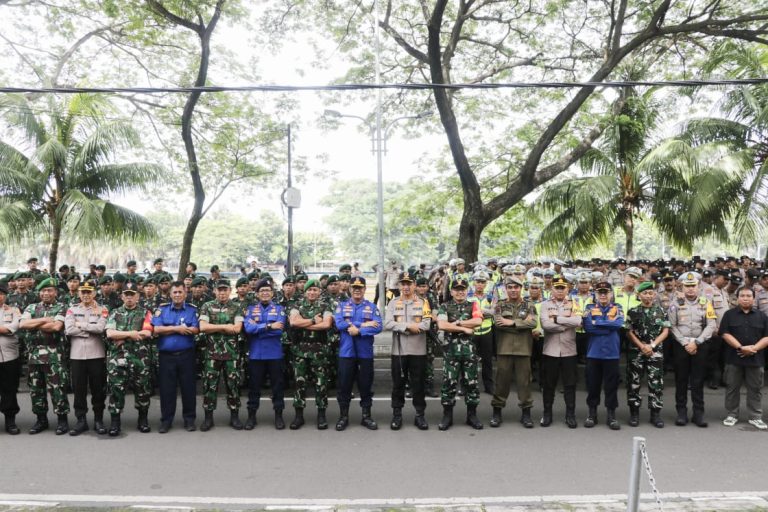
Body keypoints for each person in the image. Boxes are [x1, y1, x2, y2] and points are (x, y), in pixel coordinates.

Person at [19, 278, 71, 435]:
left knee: (58, 388)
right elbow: (22, 325)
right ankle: (41, 420)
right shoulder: (31, 307)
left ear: (55, 292)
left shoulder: (62, 307)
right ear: (39, 292)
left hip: (54, 356)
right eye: (43, 290)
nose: (46, 293)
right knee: (36, 389)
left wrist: (34, 323)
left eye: (49, 290)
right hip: (34, 357)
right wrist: (44, 320)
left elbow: (56, 326)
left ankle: (62, 420)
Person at [333, 276, 383, 431]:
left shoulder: (372, 307)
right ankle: (343, 417)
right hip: (346, 353)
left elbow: (378, 326)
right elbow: (339, 323)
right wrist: (364, 324)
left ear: (364, 289)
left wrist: (359, 330)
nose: (357, 290)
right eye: (354, 287)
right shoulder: (342, 306)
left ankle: (366, 417)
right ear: (350, 289)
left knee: (366, 386)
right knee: (344, 386)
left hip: (364, 353)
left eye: (360, 287)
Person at [105, 282, 154, 436]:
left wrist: (123, 335)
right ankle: (115, 422)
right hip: (117, 358)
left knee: (142, 389)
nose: (129, 297)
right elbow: (110, 334)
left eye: (132, 294)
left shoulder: (145, 313)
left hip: (140, 358)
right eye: (126, 294)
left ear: (138, 297)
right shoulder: (114, 313)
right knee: (116, 389)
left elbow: (147, 332)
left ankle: (143, 419)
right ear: (122, 296)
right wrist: (132, 334)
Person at [384, 272, 431, 431]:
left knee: (418, 384)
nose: (405, 287)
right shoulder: (392, 303)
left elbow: (426, 325)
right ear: (399, 286)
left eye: (408, 284)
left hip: (418, 351)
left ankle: (420, 415)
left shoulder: (423, 302)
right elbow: (388, 323)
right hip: (399, 351)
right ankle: (397, 415)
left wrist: (404, 326)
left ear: (414, 285)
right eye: (402, 284)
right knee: (398, 384)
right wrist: (407, 327)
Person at [668, 273, 717, 427]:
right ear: (682, 287)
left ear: (698, 287)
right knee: (681, 380)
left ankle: (698, 414)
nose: (690, 289)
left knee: (697, 380)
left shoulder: (706, 303)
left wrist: (697, 342)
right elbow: (672, 326)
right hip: (681, 346)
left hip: (700, 345)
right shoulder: (675, 303)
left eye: (693, 286)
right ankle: (681, 413)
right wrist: (684, 343)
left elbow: (711, 325)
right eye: (687, 286)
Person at [151, 281, 200, 433]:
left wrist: (169, 329)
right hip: (166, 356)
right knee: (167, 390)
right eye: (175, 292)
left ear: (185, 293)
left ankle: (189, 420)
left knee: (188, 389)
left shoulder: (192, 310)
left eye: (180, 292)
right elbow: (157, 329)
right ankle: (166, 420)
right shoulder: (161, 310)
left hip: (186, 356)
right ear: (170, 294)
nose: (177, 295)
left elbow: (195, 329)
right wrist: (178, 328)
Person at [436, 278, 483, 431]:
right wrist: (464, 329)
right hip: (451, 352)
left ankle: (472, 416)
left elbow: (477, 321)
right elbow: (442, 325)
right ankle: (447, 416)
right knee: (449, 384)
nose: (460, 291)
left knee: (471, 384)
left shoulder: (473, 305)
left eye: (463, 289)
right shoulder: (445, 306)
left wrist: (457, 324)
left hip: (469, 353)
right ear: (451, 292)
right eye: (457, 289)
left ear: (467, 290)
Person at [490, 276, 538, 428]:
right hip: (504, 349)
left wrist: (511, 323)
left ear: (521, 288)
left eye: (516, 287)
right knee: (501, 382)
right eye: (510, 288)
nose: (513, 290)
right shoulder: (500, 305)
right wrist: (521, 326)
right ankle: (497, 412)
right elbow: (498, 324)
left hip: (523, 350)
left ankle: (526, 414)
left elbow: (533, 322)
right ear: (506, 289)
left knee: (524, 382)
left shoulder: (529, 304)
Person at [719, 287, 768, 430]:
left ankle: (755, 417)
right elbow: (725, 334)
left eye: (748, 296)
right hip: (733, 358)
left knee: (755, 389)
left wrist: (754, 349)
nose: (745, 298)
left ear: (753, 298)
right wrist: (741, 348)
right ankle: (732, 414)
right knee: (732, 388)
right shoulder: (729, 315)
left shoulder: (762, 316)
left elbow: (766, 336)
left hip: (755, 358)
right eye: (742, 295)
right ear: (737, 298)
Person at [198, 279, 244, 431]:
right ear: (215, 291)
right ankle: (208, 418)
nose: (222, 292)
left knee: (233, 385)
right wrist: (225, 326)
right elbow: (203, 327)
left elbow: (237, 329)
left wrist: (215, 328)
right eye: (219, 290)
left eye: (225, 290)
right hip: (212, 354)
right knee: (210, 386)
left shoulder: (236, 307)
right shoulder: (207, 306)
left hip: (231, 354)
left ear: (230, 291)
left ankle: (235, 417)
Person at [64, 281, 109, 435]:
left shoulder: (102, 309)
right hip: (77, 356)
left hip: (96, 354)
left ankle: (98, 419)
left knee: (98, 389)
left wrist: (81, 325)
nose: (86, 295)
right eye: (83, 292)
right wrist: (89, 327)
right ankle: (81, 420)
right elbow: (69, 329)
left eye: (89, 292)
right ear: (79, 294)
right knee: (79, 389)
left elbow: (100, 328)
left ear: (94, 293)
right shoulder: (71, 309)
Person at [288, 279, 333, 430]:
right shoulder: (296, 306)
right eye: (309, 290)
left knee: (321, 384)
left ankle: (321, 415)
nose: (312, 292)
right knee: (299, 384)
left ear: (319, 292)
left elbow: (326, 324)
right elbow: (293, 323)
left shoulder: (326, 306)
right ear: (305, 292)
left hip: (319, 352)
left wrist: (304, 323)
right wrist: (314, 320)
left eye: (315, 290)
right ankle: (298, 416)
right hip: (300, 352)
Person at [243, 279, 287, 430]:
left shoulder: (279, 309)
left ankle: (279, 416)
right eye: (262, 291)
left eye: (268, 290)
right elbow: (248, 329)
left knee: (277, 387)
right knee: (254, 387)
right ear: (257, 294)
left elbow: (279, 330)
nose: (265, 293)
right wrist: (269, 326)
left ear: (273, 293)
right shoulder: (250, 309)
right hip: (256, 355)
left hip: (274, 354)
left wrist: (259, 329)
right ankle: (251, 416)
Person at [539, 275, 582, 428]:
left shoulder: (574, 303)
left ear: (567, 289)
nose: (559, 290)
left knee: (570, 385)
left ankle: (570, 415)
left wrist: (557, 319)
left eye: (562, 288)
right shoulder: (545, 305)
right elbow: (545, 325)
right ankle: (547, 414)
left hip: (569, 351)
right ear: (552, 289)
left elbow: (578, 321)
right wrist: (565, 323)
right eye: (556, 287)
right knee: (548, 384)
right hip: (550, 351)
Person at [625, 281, 670, 428]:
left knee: (656, 383)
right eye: (645, 293)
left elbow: (665, 331)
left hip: (655, 352)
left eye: (651, 293)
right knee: (634, 383)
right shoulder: (632, 311)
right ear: (639, 295)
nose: (648, 296)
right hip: (636, 353)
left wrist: (652, 345)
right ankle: (634, 413)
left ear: (655, 294)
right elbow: (629, 332)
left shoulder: (661, 311)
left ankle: (655, 414)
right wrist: (642, 346)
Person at [582, 281, 624, 430]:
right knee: (593, 385)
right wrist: (607, 326)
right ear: (595, 294)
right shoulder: (589, 308)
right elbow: (588, 327)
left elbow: (618, 324)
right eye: (600, 292)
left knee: (611, 386)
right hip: (594, 353)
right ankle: (592, 414)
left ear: (611, 294)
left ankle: (611, 415)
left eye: (606, 292)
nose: (603, 294)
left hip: (611, 354)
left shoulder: (618, 308)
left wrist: (598, 323)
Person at [467, 271, 495, 394]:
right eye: (478, 282)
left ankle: (489, 386)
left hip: (487, 332)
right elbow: (466, 313)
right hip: (472, 332)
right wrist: (485, 312)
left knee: (487, 361)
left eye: (482, 282)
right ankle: (468, 386)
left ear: (486, 283)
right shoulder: (468, 296)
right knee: (469, 360)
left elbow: (495, 311)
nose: (480, 284)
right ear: (474, 283)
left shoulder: (490, 296)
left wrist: (477, 312)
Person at [0, 283, 21, 434]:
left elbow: (11, 328)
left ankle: (10, 421)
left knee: (10, 389)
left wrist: (5, 329)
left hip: (9, 357)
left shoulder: (14, 311)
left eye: (1, 293)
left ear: (5, 295)